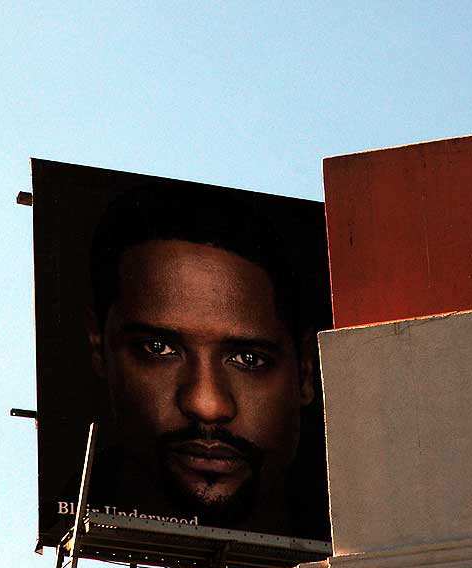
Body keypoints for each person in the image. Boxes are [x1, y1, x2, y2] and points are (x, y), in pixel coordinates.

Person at [82, 182, 329, 539]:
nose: (207, 405)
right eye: (158, 349)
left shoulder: (379, 529)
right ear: (98, 345)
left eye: (248, 358)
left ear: (305, 369)